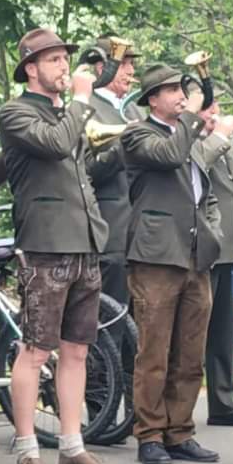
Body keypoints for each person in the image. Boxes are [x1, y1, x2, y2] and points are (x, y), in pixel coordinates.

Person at [0, 28, 117, 464]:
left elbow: (78, 166)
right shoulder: (15, 112)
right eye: (53, 61)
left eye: (64, 60)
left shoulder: (64, 112)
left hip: (84, 241)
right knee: (35, 351)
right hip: (47, 245)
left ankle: (72, 446)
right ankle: (28, 452)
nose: (63, 68)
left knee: (77, 351)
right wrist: (84, 103)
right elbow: (55, 145)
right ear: (31, 68)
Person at [122, 64, 223, 464]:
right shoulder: (137, 134)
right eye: (170, 90)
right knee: (155, 350)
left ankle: (180, 431)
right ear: (152, 100)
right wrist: (191, 120)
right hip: (155, 255)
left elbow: (203, 189)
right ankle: (149, 434)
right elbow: (168, 156)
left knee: (190, 351)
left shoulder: (187, 134)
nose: (181, 95)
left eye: (182, 88)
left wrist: (214, 231)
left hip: (195, 254)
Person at [193, 100, 233, 427]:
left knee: (224, 331)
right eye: (207, 107)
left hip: (230, 249)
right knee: (193, 331)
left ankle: (223, 402)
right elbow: (197, 165)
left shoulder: (221, 141)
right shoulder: (189, 139)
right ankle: (177, 409)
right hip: (204, 248)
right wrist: (220, 136)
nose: (214, 112)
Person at [83, 36, 143, 313]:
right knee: (111, 324)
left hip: (141, 235)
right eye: (124, 64)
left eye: (131, 64)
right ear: (101, 69)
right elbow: (87, 172)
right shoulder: (86, 108)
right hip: (112, 232)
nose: (131, 72)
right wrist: (124, 145)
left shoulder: (133, 108)